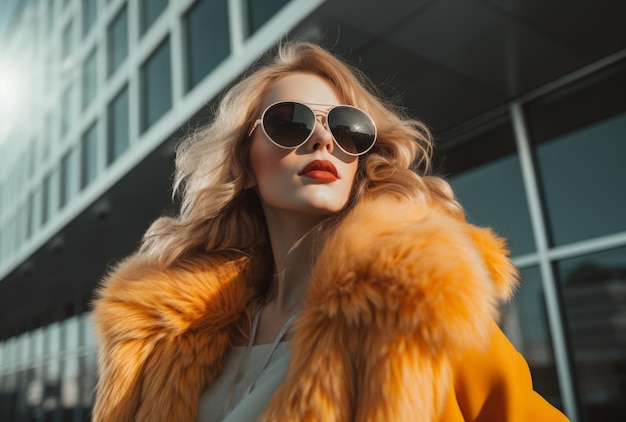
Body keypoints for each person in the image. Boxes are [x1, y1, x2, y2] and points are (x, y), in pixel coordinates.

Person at [91, 42, 569, 421]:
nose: (323, 139)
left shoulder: (416, 305)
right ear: (246, 161)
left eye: (348, 128)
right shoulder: (160, 338)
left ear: (361, 157)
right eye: (289, 122)